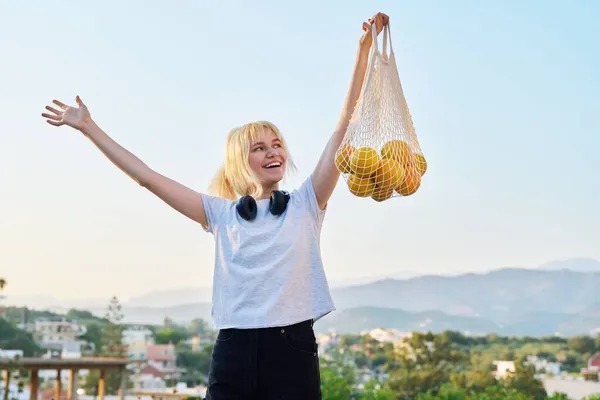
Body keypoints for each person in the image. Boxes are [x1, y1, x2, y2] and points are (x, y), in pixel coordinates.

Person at [41, 11, 389, 399]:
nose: (272, 152)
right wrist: (89, 128)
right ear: (243, 161)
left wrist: (363, 53)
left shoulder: (307, 202)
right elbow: (147, 177)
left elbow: (343, 128)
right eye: (259, 148)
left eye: (276, 145)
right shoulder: (221, 215)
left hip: (291, 348)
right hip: (234, 348)